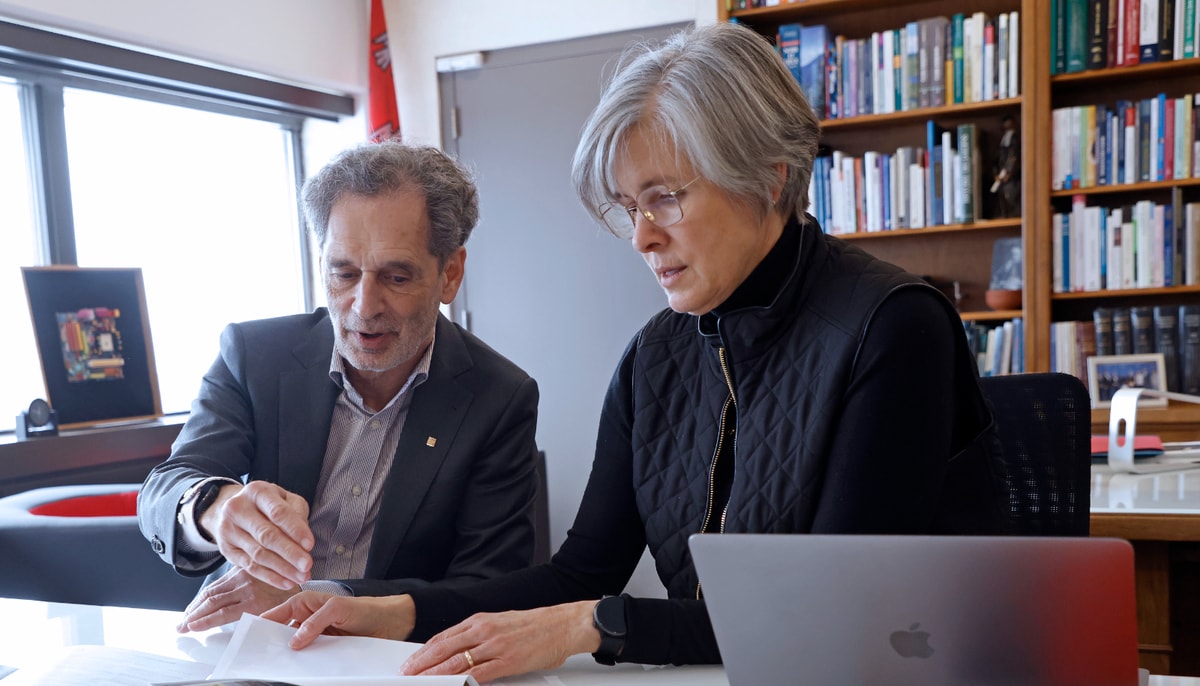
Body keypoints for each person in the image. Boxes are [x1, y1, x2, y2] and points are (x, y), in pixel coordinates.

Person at [262, 22, 1006, 682]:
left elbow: (839, 614)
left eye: (666, 198)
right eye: (629, 207)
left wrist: (598, 624)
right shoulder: (655, 357)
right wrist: (384, 608)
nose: (643, 236)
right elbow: (579, 573)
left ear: (769, 178)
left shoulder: (892, 326)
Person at [137, 141, 541, 633]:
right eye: (343, 273)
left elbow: (489, 584)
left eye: (396, 276)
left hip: (388, 658)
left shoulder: (498, 397)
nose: (364, 306)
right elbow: (165, 486)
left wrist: (318, 597)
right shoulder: (254, 354)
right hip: (240, 639)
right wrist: (213, 509)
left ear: (449, 274)